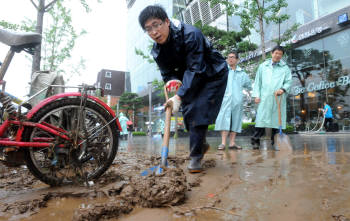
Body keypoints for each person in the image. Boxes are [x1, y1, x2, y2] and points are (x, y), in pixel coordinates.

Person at [138, 5, 228, 173]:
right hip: (190, 76)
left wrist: (179, 96)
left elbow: (197, 69)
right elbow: (168, 73)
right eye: (148, 29)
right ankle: (200, 143)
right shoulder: (157, 51)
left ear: (167, 21)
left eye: (156, 25)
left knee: (198, 107)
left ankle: (195, 157)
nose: (154, 32)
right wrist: (172, 82)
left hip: (212, 73)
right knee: (188, 110)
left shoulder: (191, 35)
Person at [251, 45, 292, 150]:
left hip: (278, 98)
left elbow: (288, 81)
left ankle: (277, 142)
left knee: (276, 121)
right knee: (261, 120)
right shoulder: (263, 66)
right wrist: (256, 95)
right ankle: (255, 141)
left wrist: (283, 89)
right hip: (264, 98)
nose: (278, 55)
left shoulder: (285, 68)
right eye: (276, 53)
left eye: (280, 54)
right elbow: (257, 82)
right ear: (272, 53)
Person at [215, 51, 252, 150]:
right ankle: (223, 143)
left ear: (237, 60)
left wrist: (252, 95)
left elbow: (249, 85)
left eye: (232, 57)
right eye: (228, 57)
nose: (230, 59)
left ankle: (232, 143)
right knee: (224, 120)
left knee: (235, 121)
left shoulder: (242, 73)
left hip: (237, 101)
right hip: (225, 100)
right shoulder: (223, 71)